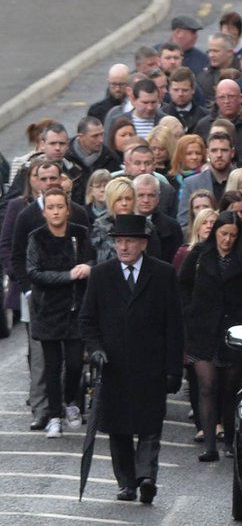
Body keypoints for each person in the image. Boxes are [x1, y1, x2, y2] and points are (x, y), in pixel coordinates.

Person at [79, 214, 184, 503]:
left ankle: (146, 477)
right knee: (119, 428)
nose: (123, 247)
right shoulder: (101, 275)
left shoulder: (162, 274)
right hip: (114, 367)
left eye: (129, 241)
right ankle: (127, 482)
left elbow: (175, 325)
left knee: (150, 426)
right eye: (119, 241)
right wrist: (96, 349)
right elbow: (88, 321)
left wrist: (174, 368)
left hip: (151, 366)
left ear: (142, 244)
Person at [179, 211, 242, 461]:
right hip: (203, 330)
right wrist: (190, 313)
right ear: (215, 232)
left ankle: (229, 440)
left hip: (233, 332)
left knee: (230, 388)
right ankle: (209, 445)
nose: (227, 240)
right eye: (223, 234)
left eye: (232, 235)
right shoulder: (199, 254)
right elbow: (182, 285)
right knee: (207, 386)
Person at [26, 188, 96, 438]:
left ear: (68, 209)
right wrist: (67, 276)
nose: (56, 211)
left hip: (76, 309)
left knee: (76, 362)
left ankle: (71, 402)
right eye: (51, 207)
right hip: (47, 310)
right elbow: (34, 271)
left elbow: (92, 261)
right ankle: (54, 416)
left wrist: (86, 268)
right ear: (44, 211)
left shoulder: (80, 234)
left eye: (60, 206)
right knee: (52, 367)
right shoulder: (37, 237)